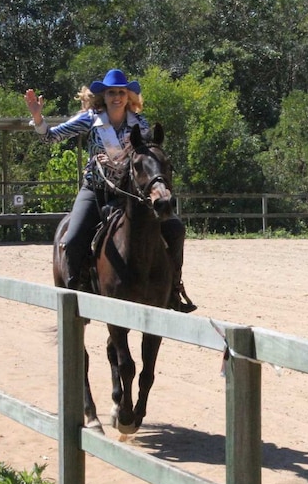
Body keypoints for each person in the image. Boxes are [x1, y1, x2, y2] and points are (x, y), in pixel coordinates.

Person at [24, 69, 197, 313]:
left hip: (129, 193)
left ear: (128, 97)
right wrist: (38, 118)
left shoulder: (140, 122)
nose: (117, 97)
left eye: (121, 92)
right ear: (103, 96)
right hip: (95, 189)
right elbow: (50, 138)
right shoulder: (90, 119)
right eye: (112, 92)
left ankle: (173, 288)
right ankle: (76, 290)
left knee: (176, 229)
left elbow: (145, 155)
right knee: (72, 239)